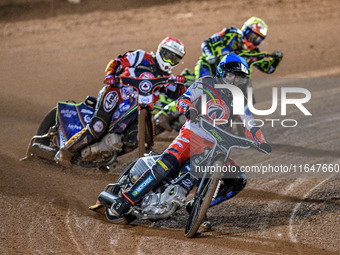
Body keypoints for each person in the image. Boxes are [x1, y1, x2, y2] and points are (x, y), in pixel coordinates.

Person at [109, 53, 272, 219]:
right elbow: (183, 99)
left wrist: (261, 141)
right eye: (231, 75)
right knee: (167, 164)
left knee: (238, 180)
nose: (234, 81)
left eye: (238, 78)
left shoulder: (240, 99)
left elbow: (250, 123)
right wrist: (188, 108)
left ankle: (199, 205)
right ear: (222, 72)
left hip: (215, 145)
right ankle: (126, 199)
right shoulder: (205, 83)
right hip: (191, 134)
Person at [58, 37, 186, 164]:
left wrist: (180, 84)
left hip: (139, 109)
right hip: (117, 93)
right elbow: (117, 62)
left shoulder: (168, 78)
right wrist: (110, 75)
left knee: (133, 141)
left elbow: (179, 94)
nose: (169, 60)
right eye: (167, 55)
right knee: (98, 127)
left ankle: (104, 157)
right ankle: (66, 151)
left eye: (174, 58)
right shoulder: (141, 56)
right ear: (160, 51)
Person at [194, 17, 283, 79]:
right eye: (252, 36)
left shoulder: (253, 53)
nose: (253, 41)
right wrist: (210, 56)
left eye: (257, 39)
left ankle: (242, 104)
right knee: (205, 65)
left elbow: (268, 69)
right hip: (212, 68)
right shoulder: (230, 34)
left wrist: (276, 60)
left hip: (230, 79)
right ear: (246, 30)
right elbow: (207, 43)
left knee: (244, 77)